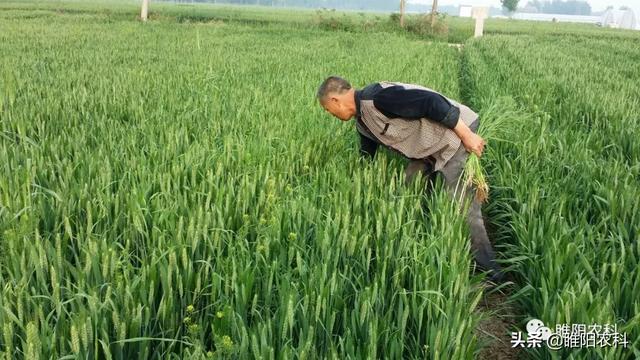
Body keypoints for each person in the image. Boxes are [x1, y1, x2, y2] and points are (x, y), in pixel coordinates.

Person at [316, 76, 504, 283]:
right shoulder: (362, 122)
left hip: (455, 136)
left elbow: (432, 102)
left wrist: (467, 135)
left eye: (327, 109)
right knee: (410, 187)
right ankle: (425, 239)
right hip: (427, 148)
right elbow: (366, 155)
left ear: (335, 100)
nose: (329, 113)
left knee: (462, 204)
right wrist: (354, 189)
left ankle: (491, 273)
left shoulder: (380, 98)